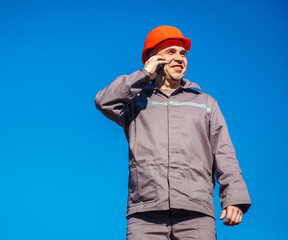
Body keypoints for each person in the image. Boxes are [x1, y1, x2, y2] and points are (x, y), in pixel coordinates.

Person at [95, 26, 251, 240]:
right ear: (153, 59)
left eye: (183, 54)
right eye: (171, 52)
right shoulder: (135, 101)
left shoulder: (205, 103)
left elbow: (224, 154)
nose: (179, 58)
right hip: (145, 213)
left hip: (196, 212)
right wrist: (144, 74)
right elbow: (104, 102)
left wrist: (234, 198)